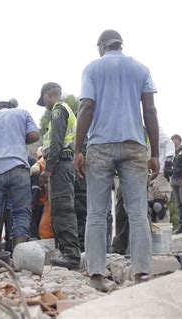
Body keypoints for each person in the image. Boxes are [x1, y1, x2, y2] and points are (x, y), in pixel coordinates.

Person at [74, 29, 159, 291]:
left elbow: (86, 107)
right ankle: (142, 273)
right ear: (121, 45)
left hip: (100, 146)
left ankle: (97, 275)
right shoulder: (140, 69)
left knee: (97, 213)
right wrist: (154, 152)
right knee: (137, 212)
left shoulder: (92, 69)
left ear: (101, 46)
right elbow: (150, 110)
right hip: (134, 145)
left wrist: (79, 149)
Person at [0, 97, 39, 257]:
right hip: (19, 168)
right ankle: (20, 254)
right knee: (21, 212)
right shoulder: (22, 113)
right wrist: (17, 139)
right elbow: (34, 135)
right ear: (12, 106)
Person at [37, 82, 81, 269]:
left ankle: (71, 255)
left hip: (60, 164)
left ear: (49, 95)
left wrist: (48, 169)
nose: (45, 105)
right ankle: (67, 253)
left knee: (62, 209)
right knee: (61, 209)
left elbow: (56, 142)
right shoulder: (67, 110)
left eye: (44, 100)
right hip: (64, 164)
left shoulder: (58, 110)